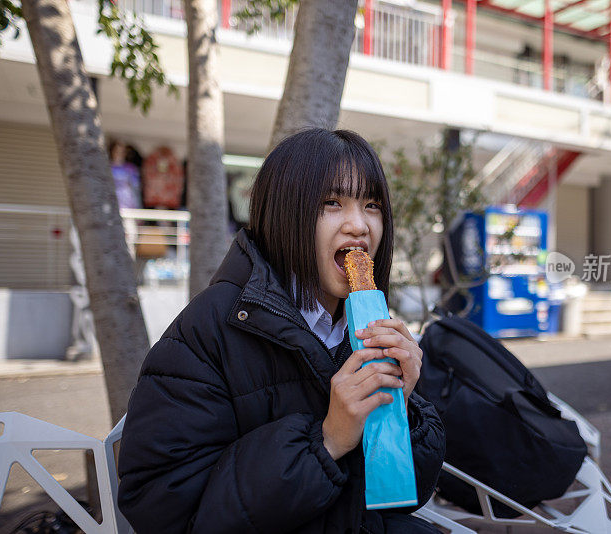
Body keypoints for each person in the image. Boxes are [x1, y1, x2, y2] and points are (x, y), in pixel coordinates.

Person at [117, 129, 446, 533]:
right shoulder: (211, 326)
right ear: (285, 213)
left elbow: (404, 499)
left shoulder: (366, 327)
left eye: (372, 205)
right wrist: (325, 441)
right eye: (332, 203)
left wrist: (403, 411)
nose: (359, 225)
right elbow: (162, 508)